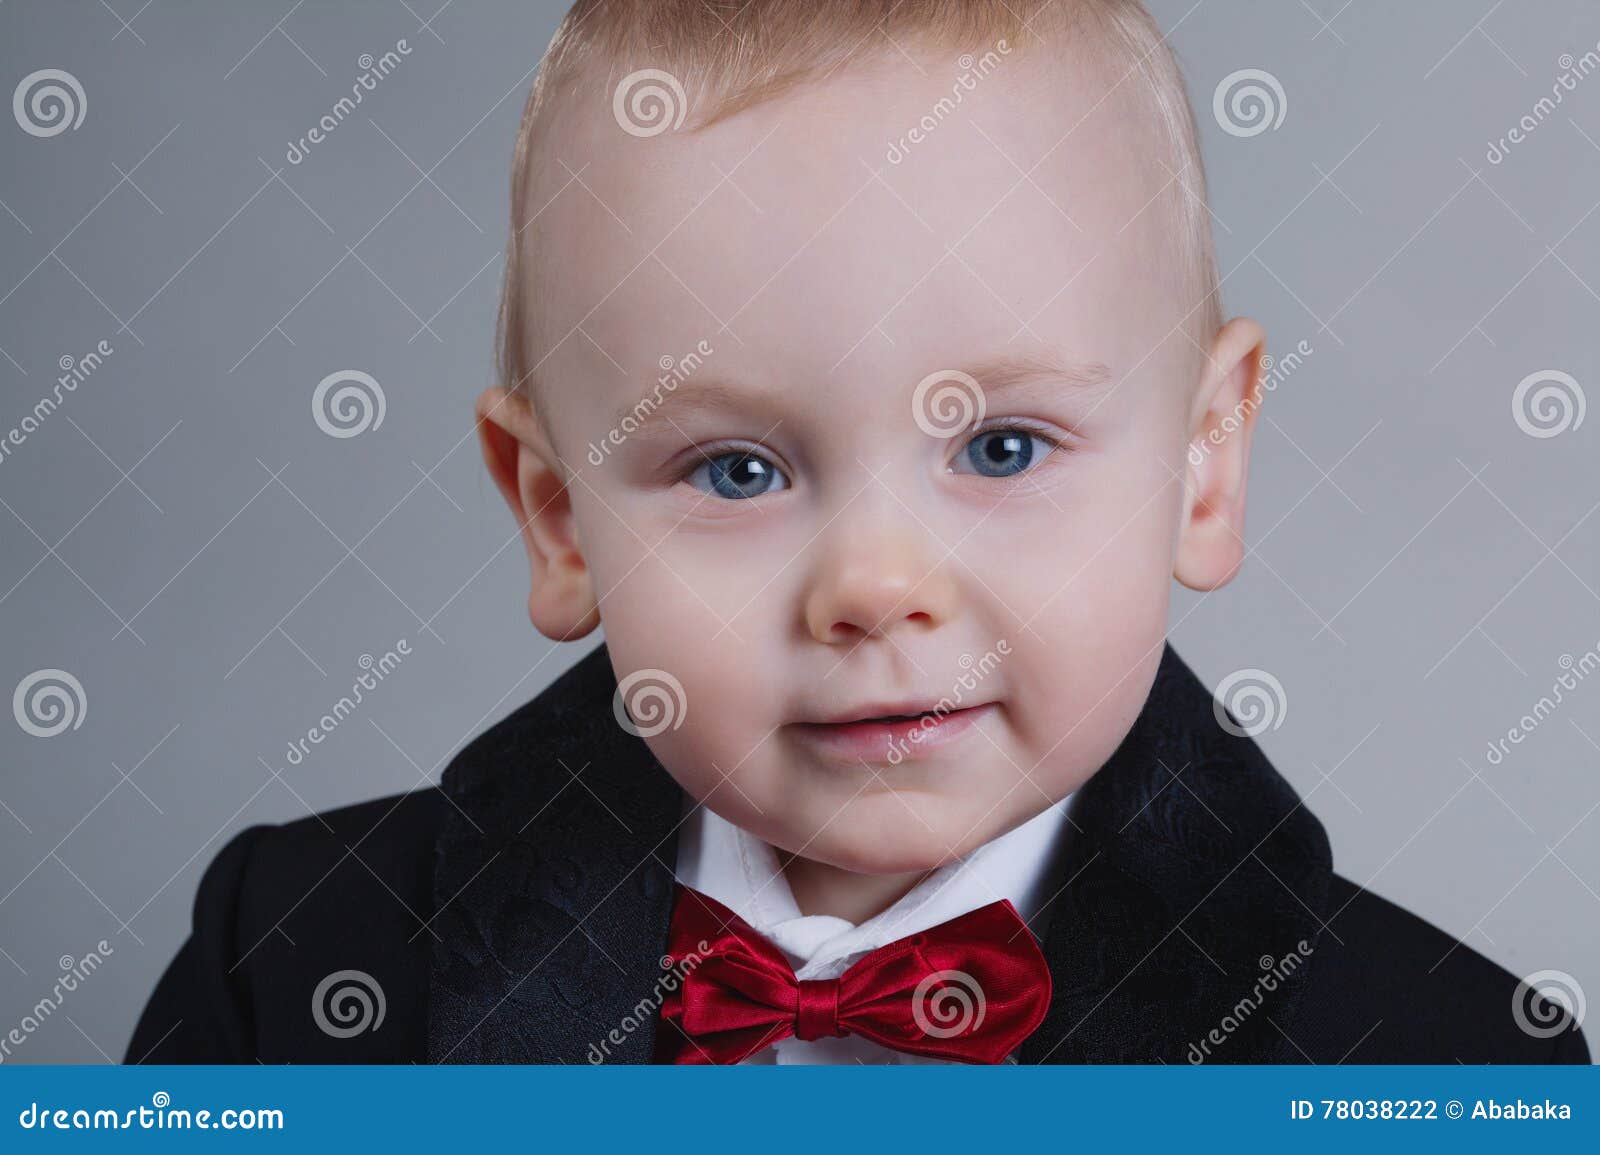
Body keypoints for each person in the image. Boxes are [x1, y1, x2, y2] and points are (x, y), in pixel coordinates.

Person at [127, 0, 1589, 1065]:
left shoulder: (1436, 1055)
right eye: (738, 472)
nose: (875, 589)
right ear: (559, 518)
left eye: (1002, 448)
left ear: (1204, 471)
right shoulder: (302, 964)